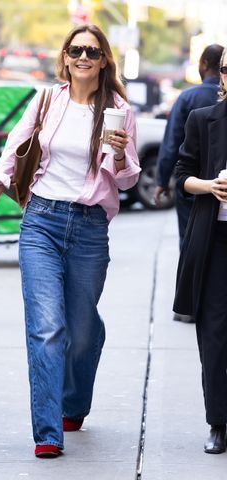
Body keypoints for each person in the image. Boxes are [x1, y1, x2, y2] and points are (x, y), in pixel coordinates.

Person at [0, 24, 140, 458]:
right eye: (75, 50)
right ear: (65, 57)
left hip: (90, 228)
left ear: (104, 59)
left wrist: (120, 154)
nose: (83, 57)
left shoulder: (119, 110)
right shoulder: (48, 99)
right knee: (48, 328)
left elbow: (127, 180)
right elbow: (14, 148)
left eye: (91, 50)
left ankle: (74, 400)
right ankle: (48, 432)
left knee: (82, 333)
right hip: (42, 223)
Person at [173, 46, 227, 454]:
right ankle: (218, 422)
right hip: (217, 242)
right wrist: (208, 186)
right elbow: (181, 175)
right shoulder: (203, 118)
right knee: (213, 334)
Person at [154, 44, 223, 324]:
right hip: (203, 186)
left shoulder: (187, 97)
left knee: (190, 240)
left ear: (204, 64)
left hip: (194, 192)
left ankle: (191, 301)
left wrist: (162, 180)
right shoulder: (201, 103)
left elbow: (172, 144)